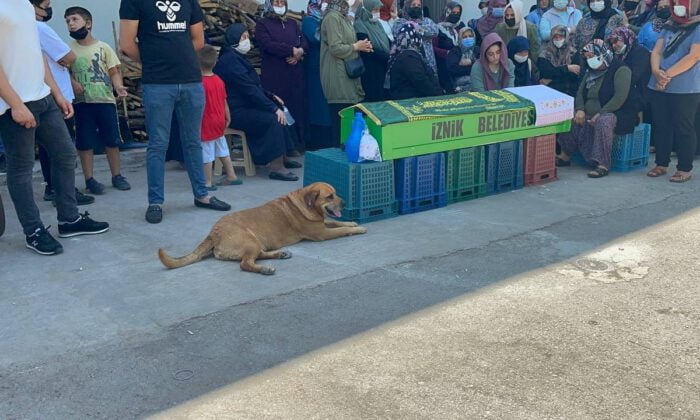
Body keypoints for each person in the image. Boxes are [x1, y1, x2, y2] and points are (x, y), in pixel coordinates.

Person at [0, 0, 109, 255]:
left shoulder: (25, 6)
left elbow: (35, 53)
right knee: (22, 168)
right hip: (14, 103)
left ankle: (69, 220)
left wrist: (57, 93)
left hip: (43, 97)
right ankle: (34, 231)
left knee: (64, 154)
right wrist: (16, 104)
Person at [120, 0, 231, 224]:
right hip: (158, 83)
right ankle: (155, 202)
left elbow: (198, 40)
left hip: (191, 81)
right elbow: (127, 44)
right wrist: (155, 60)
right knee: (158, 144)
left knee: (193, 142)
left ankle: (202, 195)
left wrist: (178, 59)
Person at [214, 24, 300, 181]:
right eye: (243, 38)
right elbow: (248, 89)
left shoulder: (237, 57)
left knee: (280, 107)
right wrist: (272, 107)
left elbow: (254, 86)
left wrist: (271, 96)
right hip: (235, 110)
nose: (247, 41)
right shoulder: (229, 62)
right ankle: (276, 166)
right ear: (234, 39)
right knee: (273, 117)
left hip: (246, 104)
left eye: (248, 37)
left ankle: (283, 155)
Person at [29, 0, 94, 206]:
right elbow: (70, 56)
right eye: (45, 4)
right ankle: (65, 192)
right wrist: (65, 59)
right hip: (59, 96)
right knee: (63, 149)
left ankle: (52, 187)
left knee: (48, 147)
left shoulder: (25, 29)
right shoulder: (40, 28)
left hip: (46, 92)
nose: (48, 9)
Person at [64, 6, 131, 196]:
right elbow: (63, 71)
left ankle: (117, 175)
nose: (71, 24)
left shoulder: (104, 48)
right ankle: (89, 179)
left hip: (105, 101)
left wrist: (118, 87)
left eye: (74, 19)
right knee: (84, 142)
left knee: (111, 139)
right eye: (68, 21)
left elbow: (113, 71)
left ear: (88, 23)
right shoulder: (68, 49)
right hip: (82, 103)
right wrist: (73, 82)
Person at [557, 40, 632, 178]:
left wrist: (601, 112)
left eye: (591, 56)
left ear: (602, 54)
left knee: (604, 122)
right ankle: (565, 155)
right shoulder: (590, 72)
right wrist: (580, 108)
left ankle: (603, 164)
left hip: (614, 111)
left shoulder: (621, 70)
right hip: (588, 111)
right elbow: (580, 92)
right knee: (568, 116)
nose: (589, 60)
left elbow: (620, 97)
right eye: (587, 57)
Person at [645, 0, 700, 182]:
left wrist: (666, 75)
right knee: (661, 125)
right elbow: (656, 51)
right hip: (659, 83)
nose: (676, 5)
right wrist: (655, 71)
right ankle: (661, 163)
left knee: (683, 127)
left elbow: (694, 56)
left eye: (681, 2)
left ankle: (684, 167)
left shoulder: (697, 27)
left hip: (685, 86)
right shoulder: (669, 25)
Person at [257, 0, 309, 152]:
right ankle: (284, 148)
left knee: (297, 108)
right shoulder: (263, 24)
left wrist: (299, 53)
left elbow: (304, 42)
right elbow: (267, 44)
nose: (280, 5)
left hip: (294, 75)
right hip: (275, 76)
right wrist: (291, 50)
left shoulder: (292, 23)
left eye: (282, 2)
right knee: (280, 110)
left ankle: (298, 143)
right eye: (276, 2)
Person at [320, 0, 370, 147]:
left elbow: (349, 42)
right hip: (338, 76)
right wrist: (356, 46)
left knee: (350, 123)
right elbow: (335, 47)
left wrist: (363, 46)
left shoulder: (343, 17)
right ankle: (338, 163)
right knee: (340, 123)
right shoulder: (332, 18)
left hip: (348, 75)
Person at [197, 45, 241, 191]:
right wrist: (227, 116)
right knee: (222, 148)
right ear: (215, 63)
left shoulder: (199, 84)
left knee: (207, 153)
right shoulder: (219, 81)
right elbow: (224, 101)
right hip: (219, 119)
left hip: (206, 121)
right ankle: (231, 175)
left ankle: (207, 182)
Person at [606, 27, 651, 134]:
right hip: (622, 91)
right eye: (612, 43)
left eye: (617, 41)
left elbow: (634, 76)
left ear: (626, 38)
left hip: (638, 93)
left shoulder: (640, 52)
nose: (614, 45)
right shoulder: (618, 55)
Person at [302, 0, 333, 150]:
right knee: (318, 106)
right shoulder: (309, 21)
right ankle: (316, 142)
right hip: (316, 68)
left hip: (328, 67)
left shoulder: (328, 19)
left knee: (327, 104)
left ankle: (327, 140)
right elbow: (317, 38)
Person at [388, 23, 443, 99]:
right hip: (411, 100)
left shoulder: (403, 54)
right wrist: (436, 94)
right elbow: (419, 79)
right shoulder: (409, 56)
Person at [354, 0, 392, 102]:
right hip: (370, 70)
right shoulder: (359, 25)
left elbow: (387, 40)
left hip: (383, 67)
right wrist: (387, 57)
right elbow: (367, 48)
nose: (377, 13)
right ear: (366, 10)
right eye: (374, 10)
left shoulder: (377, 24)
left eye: (378, 10)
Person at [392, 0, 440, 75]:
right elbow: (397, 33)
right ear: (407, 6)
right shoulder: (400, 22)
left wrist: (416, 27)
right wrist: (415, 27)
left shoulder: (427, 21)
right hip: (409, 61)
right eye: (413, 5)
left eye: (418, 5)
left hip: (428, 60)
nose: (416, 7)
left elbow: (435, 32)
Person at [538, 25, 581, 96]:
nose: (558, 40)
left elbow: (573, 75)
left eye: (561, 37)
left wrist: (552, 79)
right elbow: (546, 72)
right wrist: (567, 68)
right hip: (548, 92)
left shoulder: (573, 53)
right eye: (555, 37)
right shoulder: (545, 54)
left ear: (566, 37)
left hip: (569, 92)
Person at [433, 1, 463, 93]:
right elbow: (433, 47)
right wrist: (447, 53)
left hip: (459, 66)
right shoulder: (438, 28)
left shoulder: (460, 27)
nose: (456, 15)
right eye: (453, 12)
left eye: (458, 13)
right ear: (447, 12)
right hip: (444, 66)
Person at [447, 27, 478, 92]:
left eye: (470, 36)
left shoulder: (477, 50)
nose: (468, 38)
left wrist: (471, 62)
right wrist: (473, 66)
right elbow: (453, 70)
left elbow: (482, 66)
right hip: (460, 83)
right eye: (465, 37)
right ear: (460, 39)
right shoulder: (455, 51)